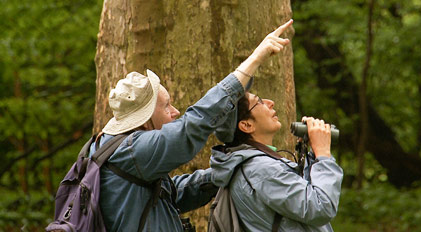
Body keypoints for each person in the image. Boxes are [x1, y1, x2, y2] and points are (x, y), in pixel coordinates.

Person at [88, 19, 294, 231]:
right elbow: (192, 126)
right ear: (145, 117)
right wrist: (253, 61)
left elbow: (169, 195)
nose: (175, 112)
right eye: (166, 106)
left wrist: (219, 175)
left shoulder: (115, 148)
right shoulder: (133, 150)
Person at [209, 94, 344, 229]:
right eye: (259, 101)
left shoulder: (252, 165)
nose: (271, 102)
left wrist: (314, 155)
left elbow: (304, 200)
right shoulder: (261, 169)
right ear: (247, 125)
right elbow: (321, 207)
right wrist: (323, 153)